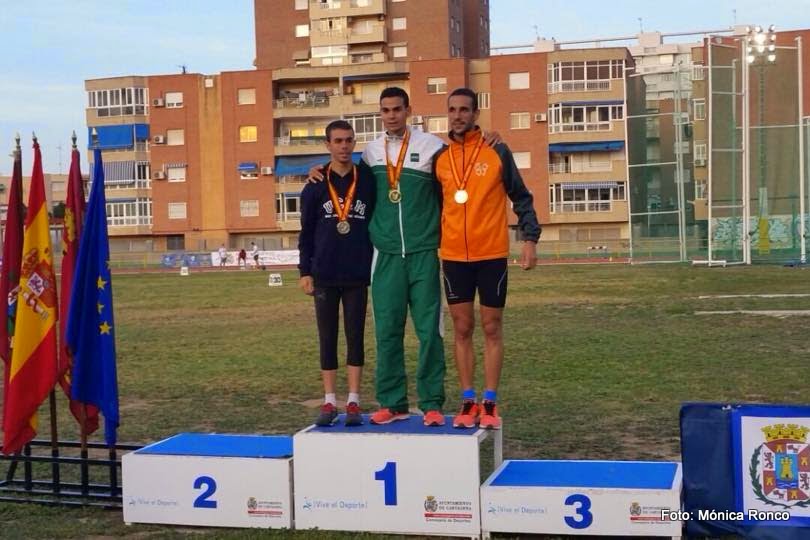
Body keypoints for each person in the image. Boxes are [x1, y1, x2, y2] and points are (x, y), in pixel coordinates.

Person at [435, 88, 541, 430]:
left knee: (492, 326)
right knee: (462, 327)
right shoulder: (439, 157)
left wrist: (529, 239)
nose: (458, 115)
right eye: (452, 109)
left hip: (491, 253)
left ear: (476, 114)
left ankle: (491, 400)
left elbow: (520, 195)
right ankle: (468, 400)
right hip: (453, 255)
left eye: (464, 109)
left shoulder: (497, 150)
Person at [298, 120, 375, 427]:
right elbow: (306, 233)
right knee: (327, 337)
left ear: (354, 144)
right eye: (338, 141)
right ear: (328, 145)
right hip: (324, 274)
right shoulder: (314, 185)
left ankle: (354, 400)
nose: (343, 146)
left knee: (355, 337)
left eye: (348, 141)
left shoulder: (367, 180)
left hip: (357, 272)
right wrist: (305, 271)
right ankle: (330, 401)